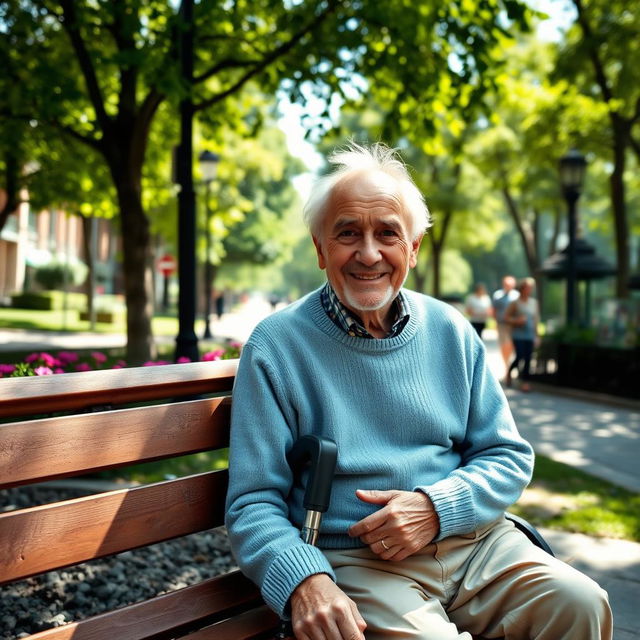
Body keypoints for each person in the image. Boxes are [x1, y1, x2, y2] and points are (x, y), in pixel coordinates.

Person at [225, 142, 612, 640]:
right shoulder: (277, 345)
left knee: (581, 603)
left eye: (387, 233)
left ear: (413, 248)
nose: (368, 253)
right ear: (321, 249)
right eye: (348, 234)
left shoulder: (451, 330)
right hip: (359, 562)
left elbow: (507, 455)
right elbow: (253, 502)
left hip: (474, 545)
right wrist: (305, 579)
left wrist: (435, 508)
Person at [505, 277, 539, 393]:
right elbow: (506, 318)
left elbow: (536, 320)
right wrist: (517, 321)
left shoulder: (534, 303)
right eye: (526, 288)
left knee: (528, 358)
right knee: (520, 356)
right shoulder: (515, 303)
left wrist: (537, 335)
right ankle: (509, 371)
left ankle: (525, 382)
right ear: (522, 289)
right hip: (518, 334)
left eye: (530, 288)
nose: (528, 290)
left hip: (529, 334)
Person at [492, 275, 520, 379]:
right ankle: (507, 367)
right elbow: (494, 311)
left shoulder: (517, 296)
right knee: (504, 345)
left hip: (513, 325)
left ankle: (508, 367)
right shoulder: (498, 295)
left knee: (511, 346)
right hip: (502, 324)